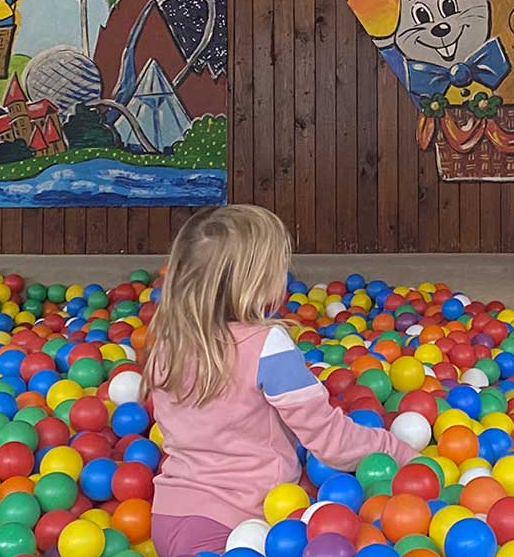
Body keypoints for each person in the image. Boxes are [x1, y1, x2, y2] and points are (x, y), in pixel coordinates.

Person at [145, 205, 418, 557]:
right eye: (279, 268)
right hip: (242, 527)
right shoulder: (265, 345)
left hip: (167, 516)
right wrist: (397, 451)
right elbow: (330, 442)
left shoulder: (169, 340)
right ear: (255, 283)